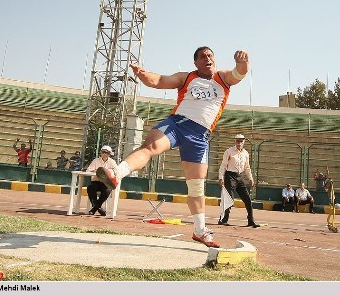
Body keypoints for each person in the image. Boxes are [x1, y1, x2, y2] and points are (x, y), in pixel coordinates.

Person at [96, 47, 249, 248]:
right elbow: (159, 81)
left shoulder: (223, 78)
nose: (207, 58)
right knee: (150, 145)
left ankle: (199, 230)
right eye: (202, 57)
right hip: (177, 124)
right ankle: (117, 173)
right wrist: (143, 74)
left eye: (210, 55)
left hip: (200, 136)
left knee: (196, 188)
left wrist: (242, 62)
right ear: (195, 63)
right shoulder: (186, 77)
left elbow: (240, 73)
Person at [217, 134, 259, 228]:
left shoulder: (246, 153)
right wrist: (221, 177)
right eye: (238, 141)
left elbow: (247, 168)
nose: (239, 143)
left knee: (247, 199)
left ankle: (251, 221)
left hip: (240, 177)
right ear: (235, 141)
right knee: (229, 199)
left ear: (244, 142)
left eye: (241, 141)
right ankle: (223, 219)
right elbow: (223, 165)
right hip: (230, 176)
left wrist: (251, 179)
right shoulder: (229, 151)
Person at [86, 145, 118, 216]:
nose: (104, 154)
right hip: (96, 181)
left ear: (109, 154)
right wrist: (97, 172)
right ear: (101, 152)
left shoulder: (112, 162)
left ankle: (95, 208)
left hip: (106, 182)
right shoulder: (96, 161)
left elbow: (116, 172)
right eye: (103, 152)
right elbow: (88, 170)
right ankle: (98, 207)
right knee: (90, 188)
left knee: (107, 190)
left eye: (107, 153)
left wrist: (107, 172)